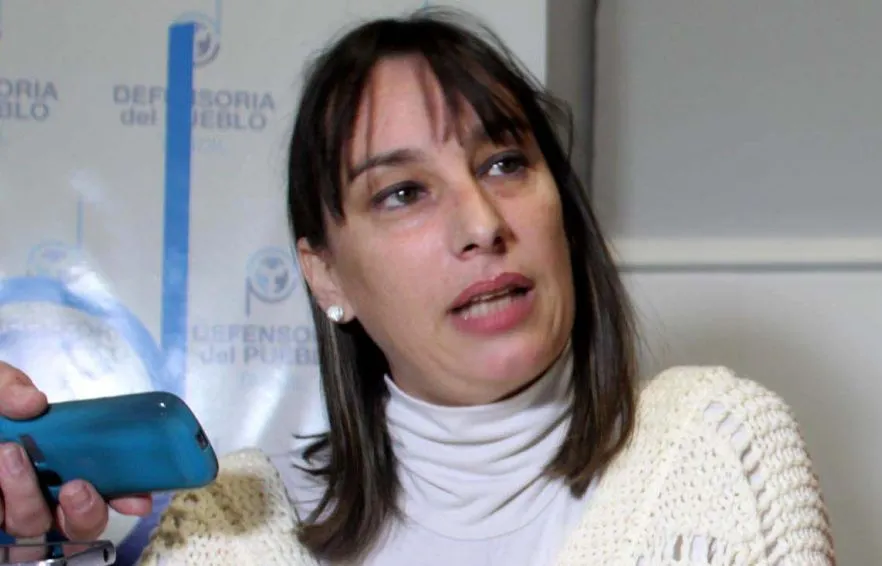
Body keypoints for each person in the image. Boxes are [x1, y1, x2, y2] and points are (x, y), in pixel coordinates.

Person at [0, 8, 835, 566]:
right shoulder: (230, 529)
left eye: (504, 163)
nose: (482, 223)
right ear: (326, 274)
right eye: (403, 192)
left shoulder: (716, 445)